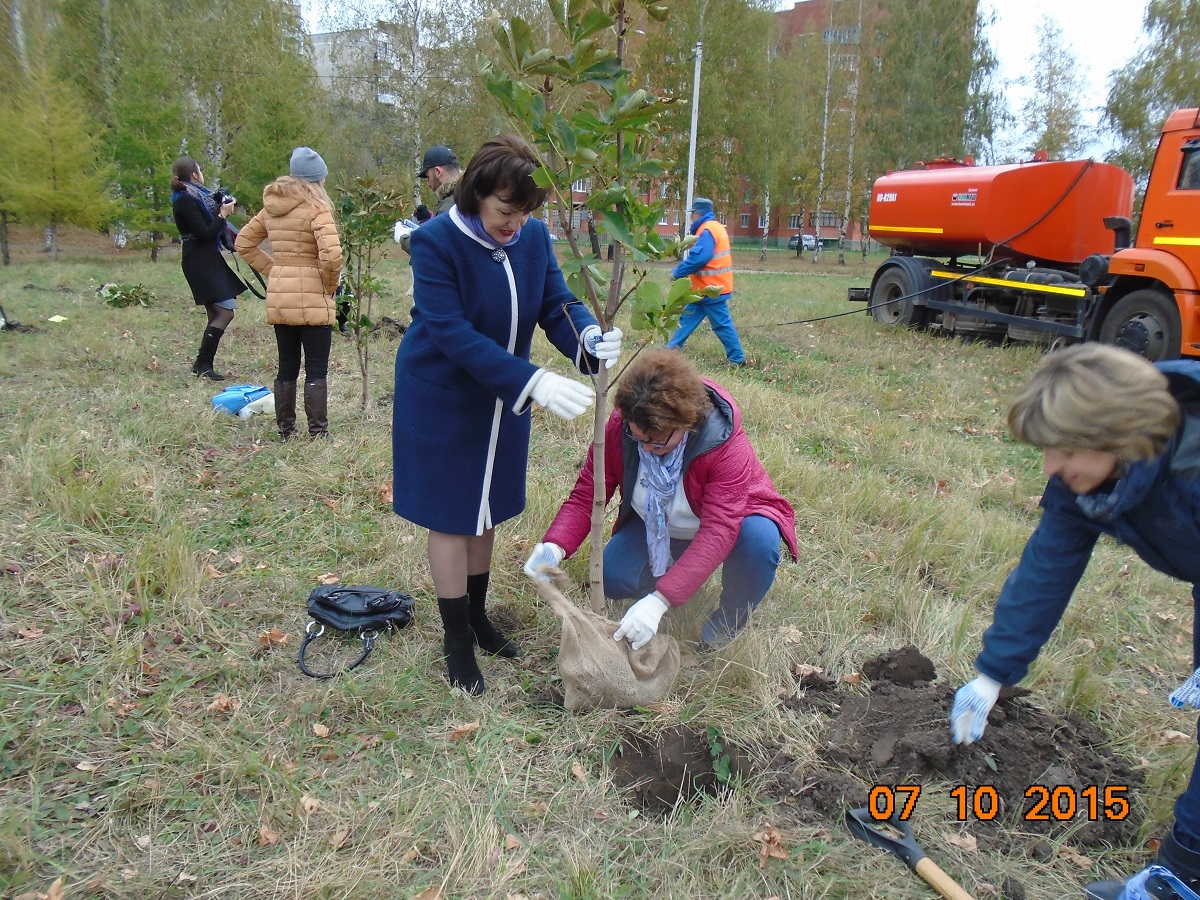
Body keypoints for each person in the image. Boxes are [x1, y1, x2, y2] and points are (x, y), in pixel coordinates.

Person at [946, 344, 1200, 900]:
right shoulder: (1086, 480)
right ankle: (1177, 879)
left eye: (1062, 451)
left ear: (1116, 435)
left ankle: (1180, 881)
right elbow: (1047, 568)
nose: (1050, 468)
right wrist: (993, 674)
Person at [392, 133, 623, 695]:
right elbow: (448, 331)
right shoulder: (436, 242)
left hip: (500, 400)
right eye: (504, 211)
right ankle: (455, 642)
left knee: (486, 507)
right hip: (444, 395)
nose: (513, 225)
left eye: (524, 213)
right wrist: (534, 380)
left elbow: (555, 302)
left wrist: (586, 337)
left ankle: (477, 616)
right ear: (475, 193)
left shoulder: (534, 237)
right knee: (451, 514)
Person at [524, 348, 797, 651]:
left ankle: (722, 628)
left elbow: (719, 530)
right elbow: (588, 493)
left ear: (686, 423)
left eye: (657, 441)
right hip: (658, 525)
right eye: (638, 438)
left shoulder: (723, 446)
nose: (647, 448)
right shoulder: (621, 428)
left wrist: (659, 601)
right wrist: (554, 545)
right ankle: (683, 573)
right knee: (612, 578)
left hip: (731, 525)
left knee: (759, 540)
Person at [235, 147, 342, 439]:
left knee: (287, 367)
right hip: (313, 294)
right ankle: (318, 433)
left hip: (281, 296)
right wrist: (330, 286)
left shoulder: (272, 205)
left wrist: (276, 271)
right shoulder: (317, 208)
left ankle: (286, 431)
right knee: (317, 369)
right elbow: (332, 257)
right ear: (317, 179)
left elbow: (243, 243)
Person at [170, 157, 246, 380]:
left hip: (206, 258)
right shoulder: (184, 200)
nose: (201, 173)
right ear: (194, 174)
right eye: (199, 169)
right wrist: (222, 215)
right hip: (198, 259)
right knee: (225, 312)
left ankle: (203, 364)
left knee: (215, 313)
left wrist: (220, 210)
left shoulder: (196, 196)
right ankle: (202, 362)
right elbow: (204, 233)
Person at [666, 198, 746, 367]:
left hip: (712, 289)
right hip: (704, 289)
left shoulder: (707, 230)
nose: (691, 218)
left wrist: (678, 272)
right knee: (686, 320)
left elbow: (700, 257)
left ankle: (738, 360)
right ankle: (669, 352)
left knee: (722, 325)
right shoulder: (715, 227)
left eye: (692, 215)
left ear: (697, 214)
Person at [399, 146, 462, 255]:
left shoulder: (450, 206)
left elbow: (431, 251)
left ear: (438, 172)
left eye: (428, 177)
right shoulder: (470, 195)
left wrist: (403, 237)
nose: (428, 184)